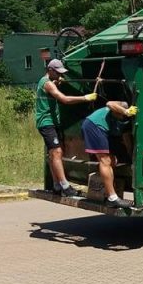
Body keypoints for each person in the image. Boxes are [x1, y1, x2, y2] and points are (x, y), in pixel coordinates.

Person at [36, 58, 96, 197]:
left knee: (53, 154)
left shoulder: (46, 81)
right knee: (56, 152)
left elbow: (54, 84)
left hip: (50, 122)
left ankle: (57, 185)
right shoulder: (48, 84)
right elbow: (64, 99)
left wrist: (57, 81)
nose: (59, 75)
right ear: (50, 70)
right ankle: (66, 186)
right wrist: (85, 98)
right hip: (47, 123)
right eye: (57, 73)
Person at [81, 100, 138, 209]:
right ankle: (112, 198)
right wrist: (126, 111)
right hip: (94, 126)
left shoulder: (123, 121)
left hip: (100, 129)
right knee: (105, 161)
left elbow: (127, 139)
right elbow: (109, 103)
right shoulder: (113, 108)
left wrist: (131, 157)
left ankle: (109, 193)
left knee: (112, 160)